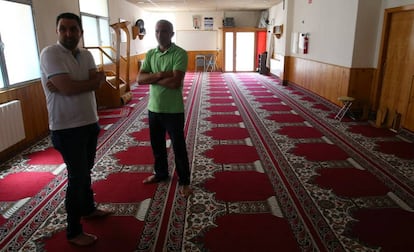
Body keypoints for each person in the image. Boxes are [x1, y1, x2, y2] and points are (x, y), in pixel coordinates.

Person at [40, 12, 112, 246]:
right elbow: (73, 87)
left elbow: (91, 83)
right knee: (77, 176)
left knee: (85, 171)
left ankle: (88, 208)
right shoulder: (50, 53)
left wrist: (73, 84)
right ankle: (73, 231)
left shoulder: (87, 54)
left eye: (73, 29)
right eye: (63, 29)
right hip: (66, 128)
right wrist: (87, 83)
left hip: (89, 123)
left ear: (81, 32)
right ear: (58, 31)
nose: (68, 33)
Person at [137, 20, 193, 197]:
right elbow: (139, 79)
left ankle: (184, 181)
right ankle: (161, 174)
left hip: (173, 110)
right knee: (157, 145)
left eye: (164, 31)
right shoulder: (151, 53)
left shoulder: (180, 53)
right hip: (154, 108)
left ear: (172, 34)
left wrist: (152, 78)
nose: (160, 34)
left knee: (178, 147)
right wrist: (161, 74)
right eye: (157, 31)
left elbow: (176, 82)